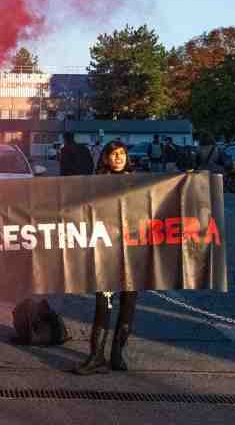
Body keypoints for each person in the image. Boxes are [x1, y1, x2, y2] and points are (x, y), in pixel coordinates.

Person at [73, 140, 138, 375]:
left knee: (129, 304)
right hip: (107, 252)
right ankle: (96, 355)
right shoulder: (97, 182)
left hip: (133, 252)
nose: (118, 157)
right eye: (113, 154)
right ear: (106, 158)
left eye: (122, 153)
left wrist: (188, 180)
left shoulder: (140, 181)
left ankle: (117, 354)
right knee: (104, 303)